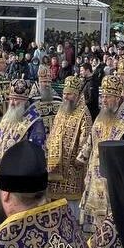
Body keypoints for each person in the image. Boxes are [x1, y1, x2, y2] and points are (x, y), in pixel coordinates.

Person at [79, 74, 124, 230]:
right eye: (102, 96)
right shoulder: (101, 116)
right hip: (94, 170)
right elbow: (92, 139)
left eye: (108, 97)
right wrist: (82, 157)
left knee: (112, 216)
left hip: (113, 174)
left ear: (117, 98)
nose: (103, 100)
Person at [0, 79, 46, 180]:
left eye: (16, 100)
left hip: (16, 173)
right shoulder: (8, 115)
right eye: (11, 99)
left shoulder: (34, 121)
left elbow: (36, 148)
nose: (12, 103)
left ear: (25, 101)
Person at [46, 75, 92, 210]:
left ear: (77, 95)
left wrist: (80, 159)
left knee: (70, 206)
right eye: (64, 93)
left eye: (69, 94)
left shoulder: (84, 113)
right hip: (55, 165)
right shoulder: (61, 109)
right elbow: (54, 130)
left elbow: (87, 138)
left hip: (72, 167)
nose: (65, 97)